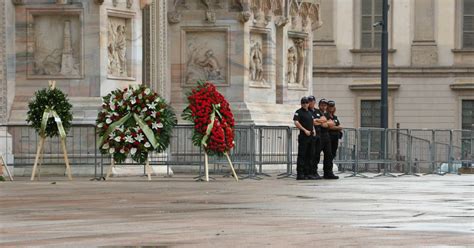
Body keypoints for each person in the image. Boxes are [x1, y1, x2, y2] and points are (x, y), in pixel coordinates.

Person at [315, 98, 339, 179]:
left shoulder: (327, 114)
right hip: (319, 135)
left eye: (325, 105)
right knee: (316, 154)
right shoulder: (316, 112)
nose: (324, 107)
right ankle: (314, 172)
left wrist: (323, 122)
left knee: (329, 155)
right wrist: (325, 123)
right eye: (322, 105)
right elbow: (321, 125)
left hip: (326, 136)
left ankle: (328, 173)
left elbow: (332, 123)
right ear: (319, 105)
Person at [293, 97, 314, 180]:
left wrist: (314, 130)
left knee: (310, 155)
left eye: (306, 102)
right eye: (303, 103)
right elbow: (296, 122)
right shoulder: (298, 112)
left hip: (311, 136)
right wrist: (304, 130)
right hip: (303, 136)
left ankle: (307, 173)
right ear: (301, 104)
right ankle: (300, 174)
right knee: (302, 155)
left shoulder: (310, 112)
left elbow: (312, 123)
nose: (305, 104)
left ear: (308, 103)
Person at [307, 95, 322, 180]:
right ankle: (310, 172)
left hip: (319, 135)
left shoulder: (317, 111)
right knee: (311, 154)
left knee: (317, 154)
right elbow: (311, 121)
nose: (310, 103)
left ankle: (315, 171)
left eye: (312, 101)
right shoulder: (307, 111)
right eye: (309, 101)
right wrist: (316, 121)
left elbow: (324, 120)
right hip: (312, 135)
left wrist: (317, 121)